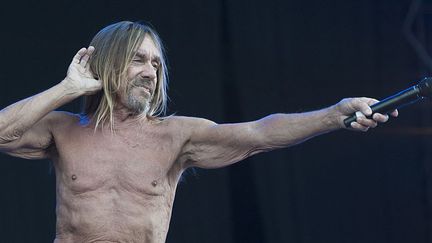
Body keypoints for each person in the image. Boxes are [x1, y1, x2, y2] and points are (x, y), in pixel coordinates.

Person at [0, 21, 398, 243]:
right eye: (138, 60)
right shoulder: (64, 130)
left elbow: (260, 133)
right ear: (105, 65)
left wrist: (333, 114)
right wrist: (68, 88)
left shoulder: (176, 135)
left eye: (156, 64)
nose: (150, 73)